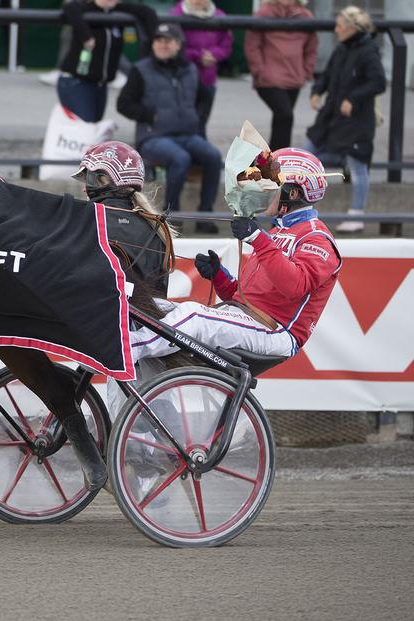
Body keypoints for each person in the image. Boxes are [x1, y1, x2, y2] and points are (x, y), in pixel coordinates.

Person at [134, 147, 341, 362]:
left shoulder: (317, 239)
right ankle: (145, 391)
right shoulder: (278, 231)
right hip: (252, 319)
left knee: (193, 316)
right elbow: (245, 298)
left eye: (271, 185)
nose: (262, 191)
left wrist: (257, 239)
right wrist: (218, 276)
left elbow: (294, 286)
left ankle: (124, 351)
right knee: (149, 309)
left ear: (293, 193)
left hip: (278, 332)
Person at [116, 22, 222, 232]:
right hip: (153, 137)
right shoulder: (141, 69)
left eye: (168, 41)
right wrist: (150, 115)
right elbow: (124, 104)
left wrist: (198, 117)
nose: (162, 45)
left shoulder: (190, 69)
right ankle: (171, 215)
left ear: (178, 44)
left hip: (188, 135)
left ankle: (205, 216)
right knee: (179, 158)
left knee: (213, 156)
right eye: (158, 40)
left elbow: (205, 96)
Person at [304, 6, 385, 234]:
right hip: (330, 118)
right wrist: (316, 91)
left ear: (351, 27)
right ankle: (300, 211)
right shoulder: (342, 49)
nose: (336, 30)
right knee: (307, 156)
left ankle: (356, 214)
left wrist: (353, 98)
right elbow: (328, 75)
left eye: (340, 26)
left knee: (358, 165)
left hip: (356, 120)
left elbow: (378, 82)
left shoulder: (368, 50)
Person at [72, 140, 174, 297]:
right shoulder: (157, 228)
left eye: (88, 180)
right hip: (148, 320)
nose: (84, 188)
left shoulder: (87, 221)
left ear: (102, 180)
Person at [57, 0, 158, 122]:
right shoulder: (85, 8)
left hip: (101, 84)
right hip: (77, 81)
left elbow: (147, 11)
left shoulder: (118, 10)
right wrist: (86, 36)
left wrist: (155, 41)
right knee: (86, 128)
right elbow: (69, 7)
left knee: (94, 127)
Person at [244, 0, 318, 151]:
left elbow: (311, 47)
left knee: (282, 120)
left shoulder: (305, 16)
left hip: (294, 78)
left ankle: (271, 162)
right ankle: (279, 162)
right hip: (268, 79)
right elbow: (252, 45)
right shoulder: (263, 14)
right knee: (285, 115)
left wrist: (306, 71)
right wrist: (260, 71)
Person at [169, 0, 233, 139]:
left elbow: (226, 45)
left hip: (208, 78)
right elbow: (173, 47)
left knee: (202, 119)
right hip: (182, 79)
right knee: (185, 120)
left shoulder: (220, 16)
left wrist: (214, 54)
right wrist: (199, 56)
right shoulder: (175, 14)